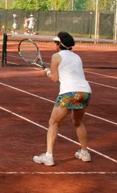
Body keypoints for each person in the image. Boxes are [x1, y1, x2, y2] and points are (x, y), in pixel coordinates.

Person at [33, 31, 92, 167]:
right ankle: (85, 152)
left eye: (56, 42)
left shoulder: (56, 56)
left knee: (53, 122)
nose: (55, 45)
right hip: (85, 92)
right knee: (78, 121)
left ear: (59, 44)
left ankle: (48, 156)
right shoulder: (77, 57)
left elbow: (54, 78)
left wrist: (47, 71)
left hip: (69, 93)